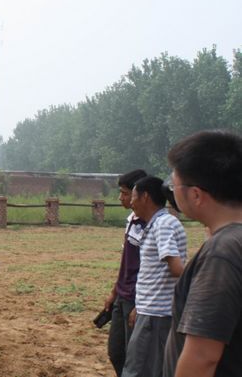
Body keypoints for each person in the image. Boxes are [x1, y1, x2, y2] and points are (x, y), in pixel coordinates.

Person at [163, 130, 242, 377]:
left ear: (196, 195)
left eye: (174, 185)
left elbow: (203, 356)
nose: (172, 191)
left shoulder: (222, 253)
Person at [121, 176, 188, 377]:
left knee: (138, 370)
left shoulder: (163, 224)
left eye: (133, 196)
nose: (130, 201)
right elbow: (154, 272)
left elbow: (176, 268)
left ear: (145, 197)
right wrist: (139, 307)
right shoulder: (156, 224)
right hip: (150, 311)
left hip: (157, 316)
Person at [104, 169, 147, 376]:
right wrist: (114, 291)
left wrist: (141, 303)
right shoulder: (131, 220)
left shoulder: (154, 225)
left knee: (134, 356)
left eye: (125, 193)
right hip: (123, 295)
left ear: (141, 194)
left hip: (136, 299)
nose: (121, 198)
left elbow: (152, 268)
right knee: (116, 352)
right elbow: (126, 261)